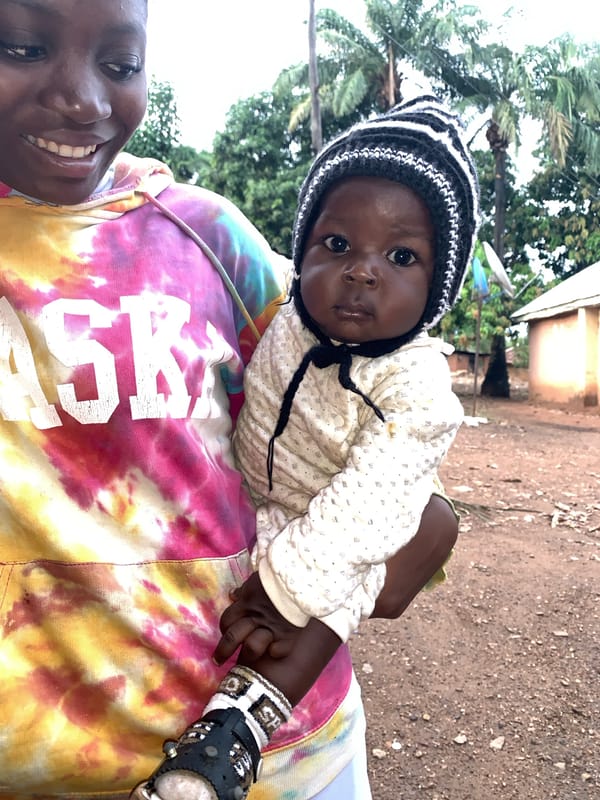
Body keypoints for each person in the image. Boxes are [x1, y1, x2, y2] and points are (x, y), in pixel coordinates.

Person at [0, 2, 459, 799]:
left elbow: (356, 398)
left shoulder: (208, 238)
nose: (80, 97)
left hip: (283, 758)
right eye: (22, 46)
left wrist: (427, 513)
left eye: (119, 64)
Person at [142, 97, 480, 800]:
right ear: (300, 252)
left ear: (437, 285)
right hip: (259, 504)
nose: (361, 272)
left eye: (401, 256)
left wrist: (286, 587)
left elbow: (375, 504)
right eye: (336, 245)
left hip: (341, 523)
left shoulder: (416, 385)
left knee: (338, 592)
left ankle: (233, 731)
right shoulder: (286, 315)